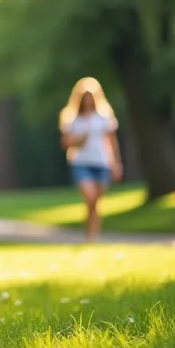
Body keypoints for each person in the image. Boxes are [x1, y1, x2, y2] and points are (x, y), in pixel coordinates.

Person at [59, 77, 123, 242]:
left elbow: (112, 142)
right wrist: (79, 140)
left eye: (91, 96)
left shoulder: (103, 118)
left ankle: (93, 235)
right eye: (85, 97)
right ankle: (90, 234)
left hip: (101, 162)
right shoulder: (73, 119)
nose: (88, 100)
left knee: (95, 203)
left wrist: (116, 163)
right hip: (81, 162)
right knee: (90, 196)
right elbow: (66, 143)